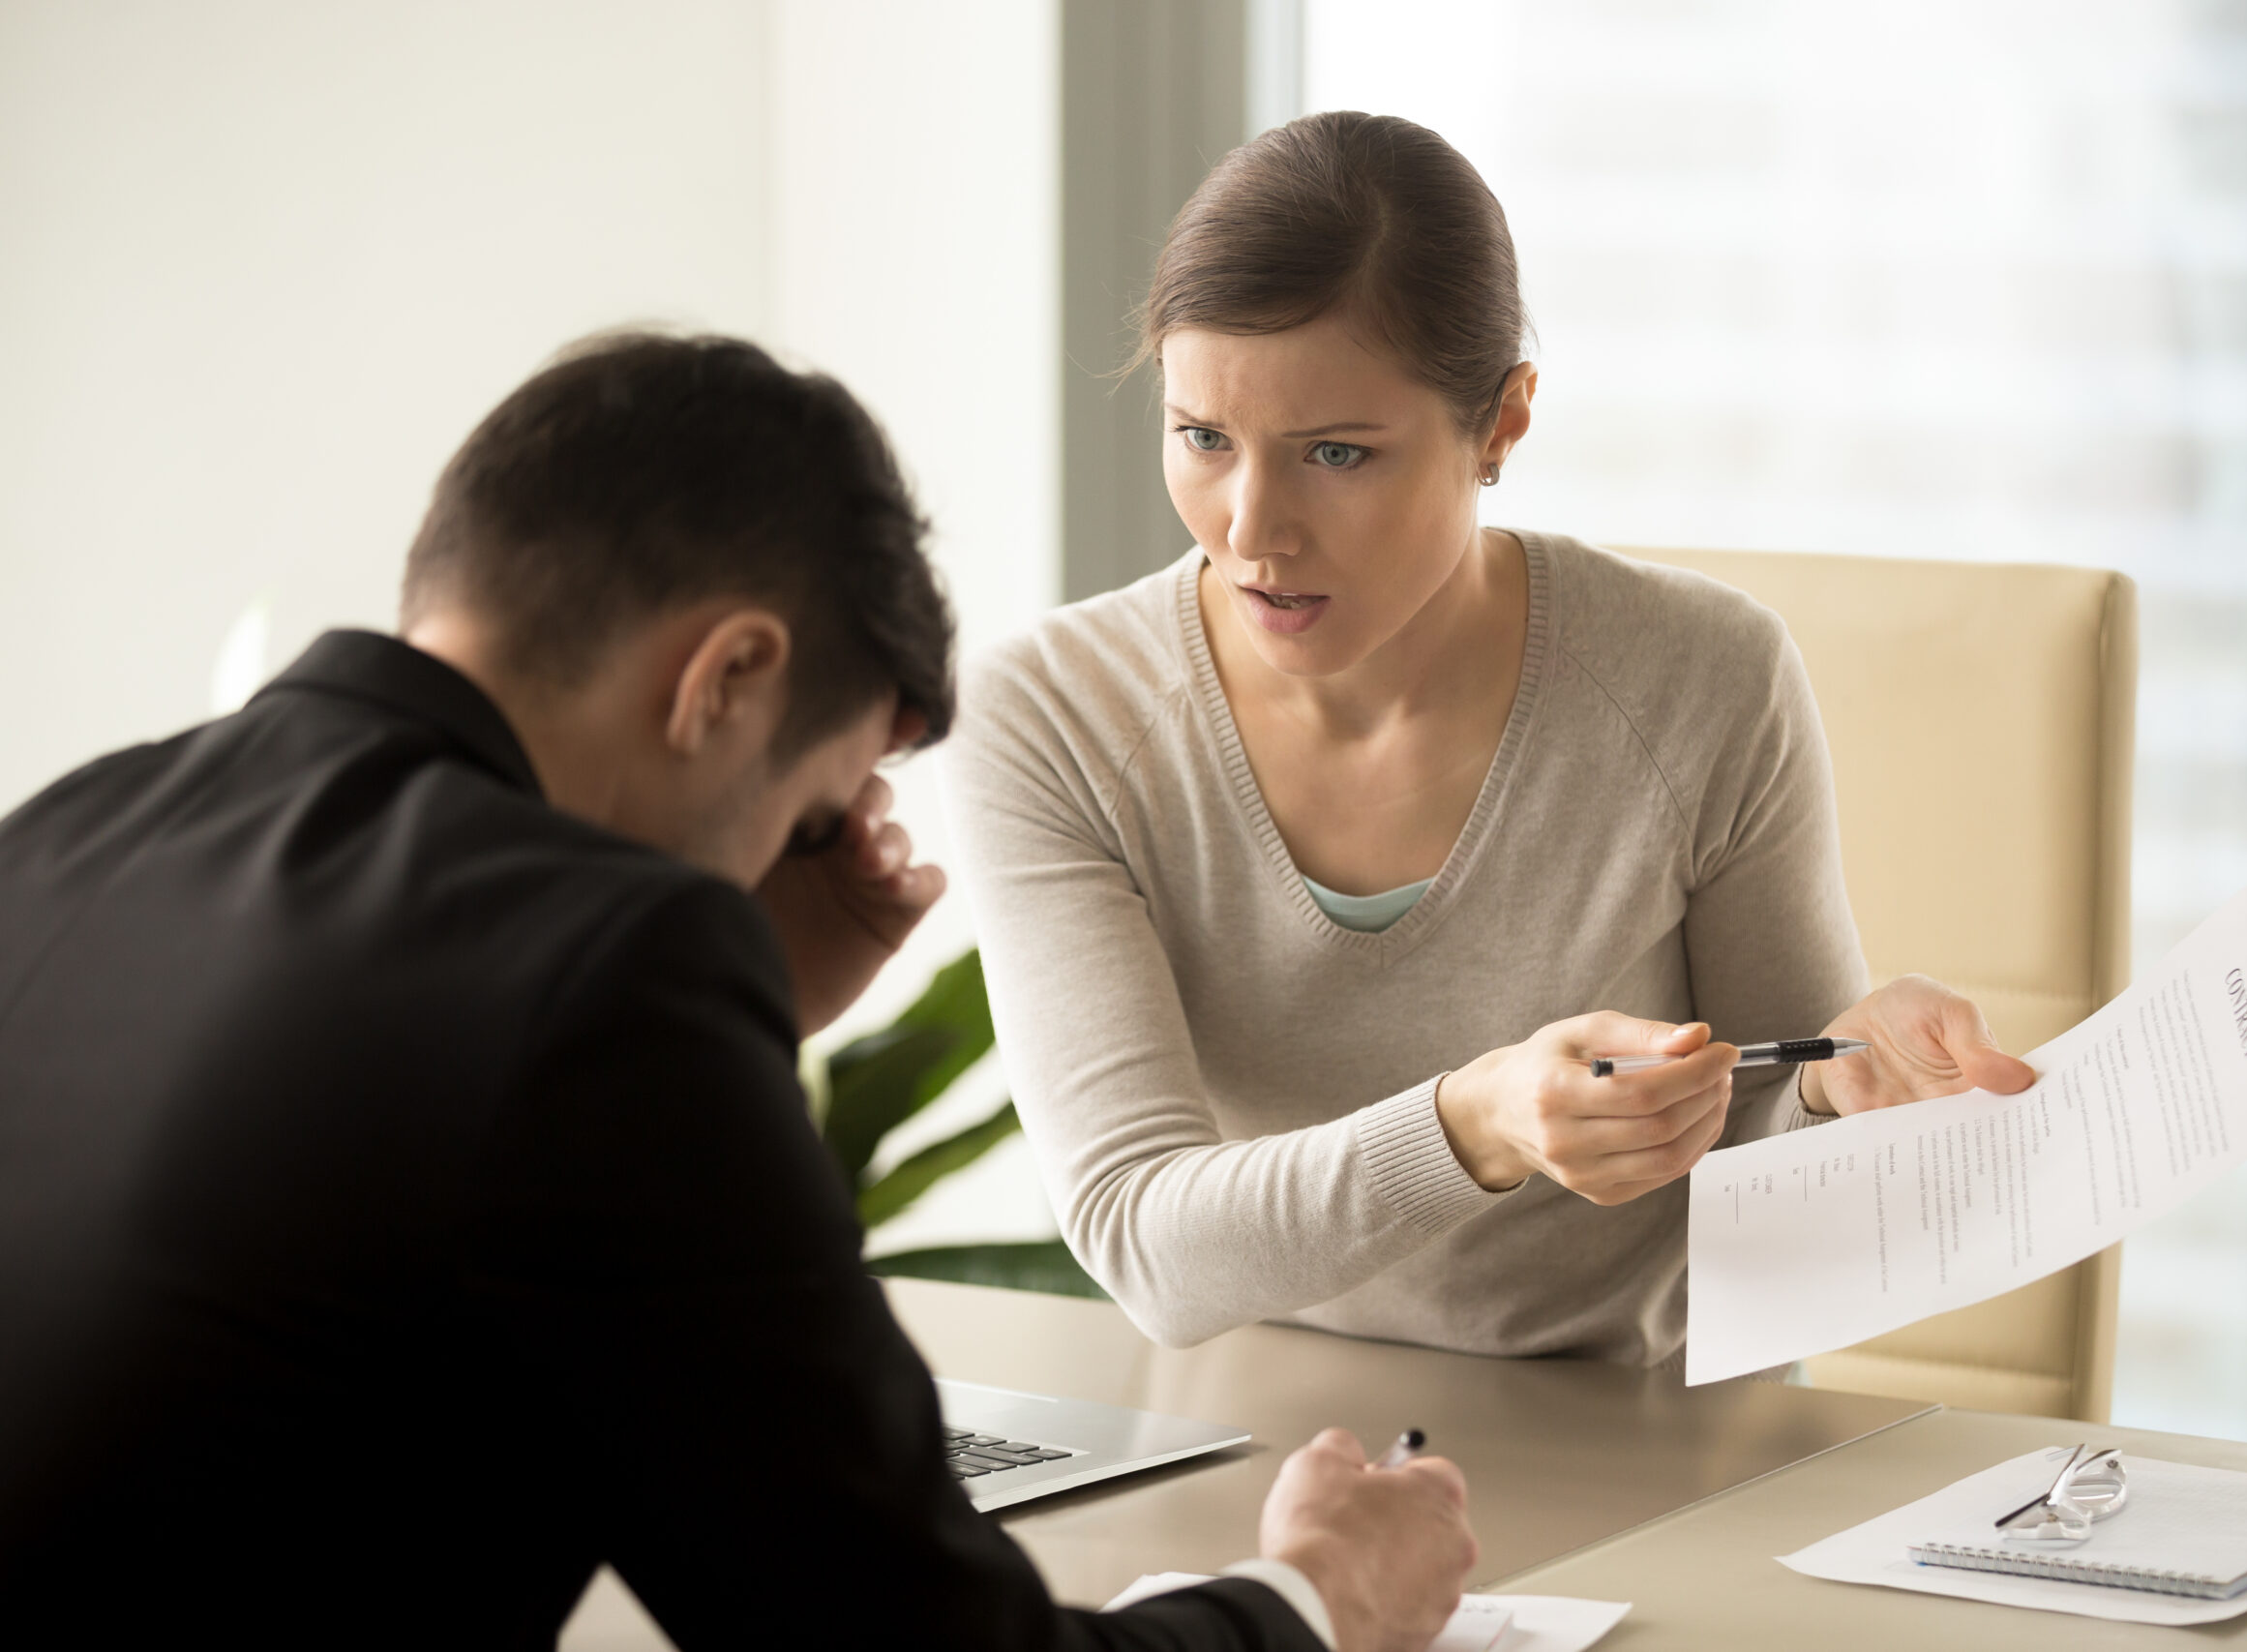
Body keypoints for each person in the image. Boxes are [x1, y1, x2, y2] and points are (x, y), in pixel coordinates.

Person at [0, 333, 1475, 1651]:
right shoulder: (600, 976)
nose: (798, 860)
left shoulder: (68, 834)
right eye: (816, 810)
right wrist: (1314, 1605)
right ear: (727, 680)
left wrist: (747, 1004)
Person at [944, 112, 2037, 1363]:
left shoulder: (1707, 682)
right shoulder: (1053, 722)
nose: (1252, 530)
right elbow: (1144, 1239)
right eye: (1204, 439)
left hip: (1646, 1451)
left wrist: (1842, 1096)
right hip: (1260, 1453)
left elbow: (1770, 1179)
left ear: (1503, 424)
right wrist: (1479, 1123)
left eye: (1337, 453)